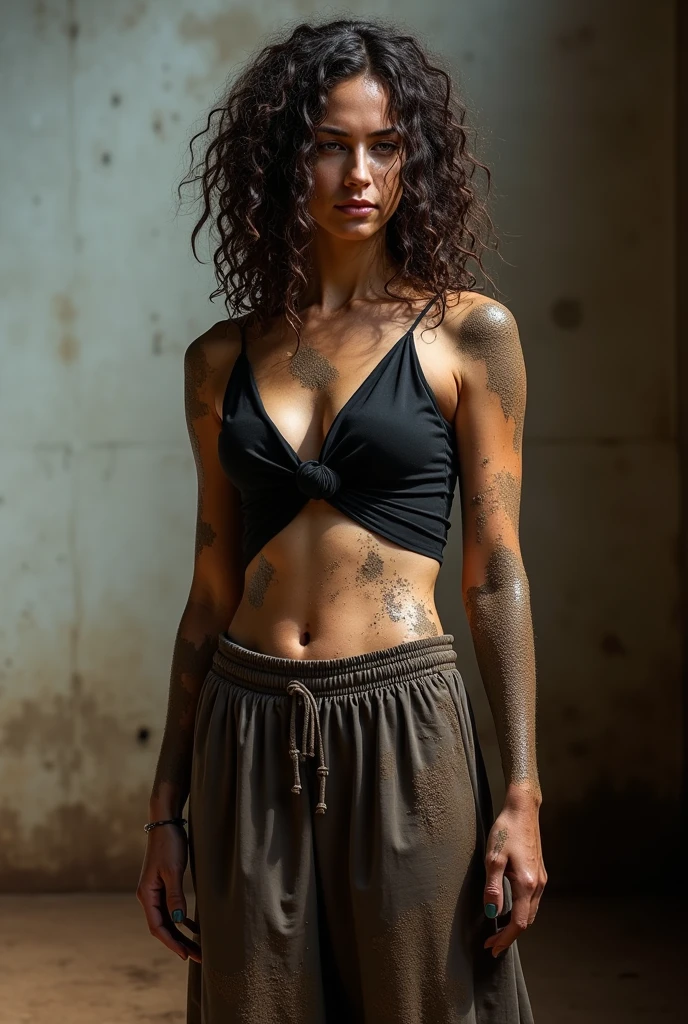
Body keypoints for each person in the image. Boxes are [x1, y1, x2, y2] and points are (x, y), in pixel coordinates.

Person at [136, 16, 546, 1023]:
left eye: (386, 143)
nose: (358, 172)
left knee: (426, 1002)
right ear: (286, 160)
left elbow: (495, 572)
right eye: (328, 143)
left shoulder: (468, 332)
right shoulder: (219, 360)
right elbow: (209, 591)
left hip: (405, 723)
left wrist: (522, 793)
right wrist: (164, 811)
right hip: (246, 722)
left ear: (416, 157)